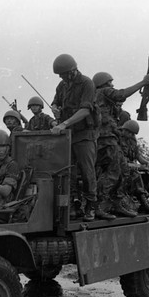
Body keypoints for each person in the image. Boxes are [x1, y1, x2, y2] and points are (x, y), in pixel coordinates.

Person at [49, 54, 110, 221]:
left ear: (73, 71)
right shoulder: (62, 85)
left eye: (63, 74)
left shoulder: (87, 83)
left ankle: (91, 205)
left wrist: (64, 123)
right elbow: (55, 101)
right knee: (69, 171)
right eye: (59, 75)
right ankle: (74, 205)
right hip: (69, 135)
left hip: (85, 135)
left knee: (87, 171)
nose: (61, 78)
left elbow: (85, 110)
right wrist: (55, 108)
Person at [92, 72, 149, 219]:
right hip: (106, 138)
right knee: (114, 172)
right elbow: (121, 94)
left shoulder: (100, 96)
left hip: (108, 137)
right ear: (104, 83)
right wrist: (143, 82)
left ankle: (116, 202)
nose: (112, 85)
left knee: (123, 171)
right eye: (110, 82)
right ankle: (98, 205)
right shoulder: (103, 91)